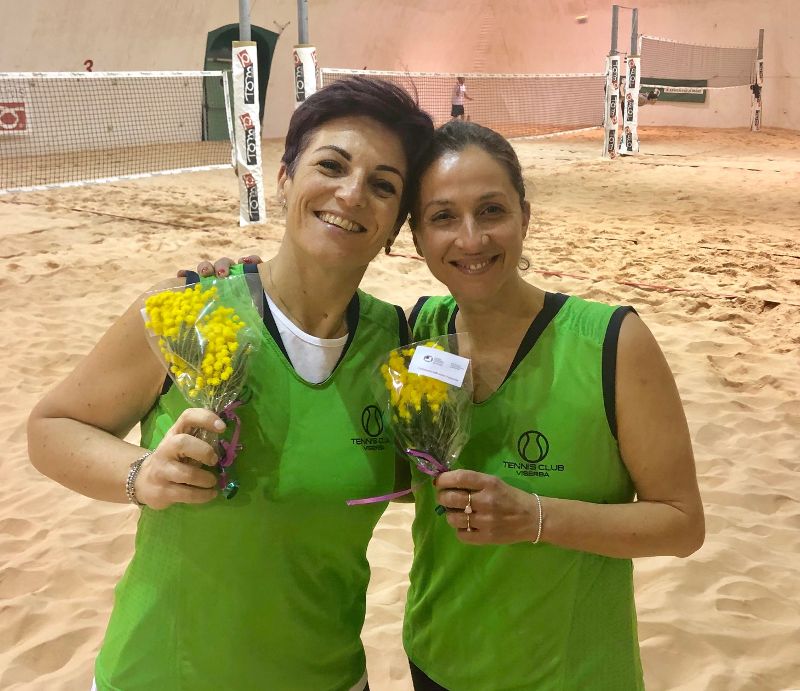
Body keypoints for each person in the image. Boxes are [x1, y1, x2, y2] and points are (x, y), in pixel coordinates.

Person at [196, 121, 705, 690]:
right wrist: (236, 281)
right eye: (443, 217)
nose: (471, 238)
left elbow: (681, 525)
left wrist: (535, 517)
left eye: (492, 211)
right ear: (416, 237)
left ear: (524, 217)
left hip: (572, 673)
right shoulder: (413, 336)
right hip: (437, 664)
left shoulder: (611, 341)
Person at [27, 77, 434, 691]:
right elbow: (52, 429)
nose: (351, 194)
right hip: (164, 673)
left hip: (327, 675)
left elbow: (410, 479)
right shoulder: (190, 312)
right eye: (331, 165)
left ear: (396, 224)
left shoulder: (397, 345)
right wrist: (143, 476)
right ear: (285, 178)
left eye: (383, 185)